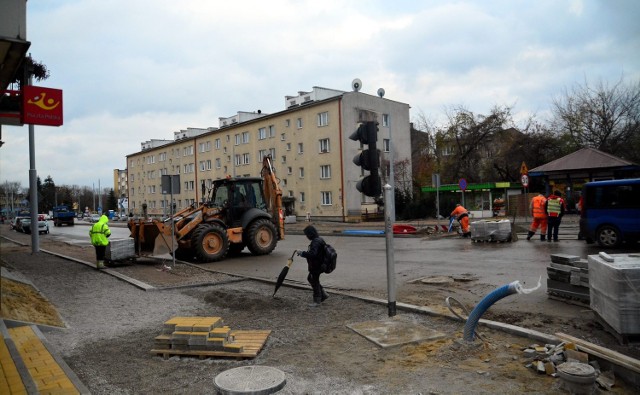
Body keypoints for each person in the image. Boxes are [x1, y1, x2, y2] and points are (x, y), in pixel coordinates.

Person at [296, 225, 328, 307]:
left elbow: (313, 254)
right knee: (310, 278)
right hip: (320, 264)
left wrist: (302, 253)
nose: (306, 237)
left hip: (317, 266)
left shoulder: (315, 242)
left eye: (307, 235)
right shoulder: (319, 239)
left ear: (310, 234)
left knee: (314, 280)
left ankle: (317, 301)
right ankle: (323, 294)